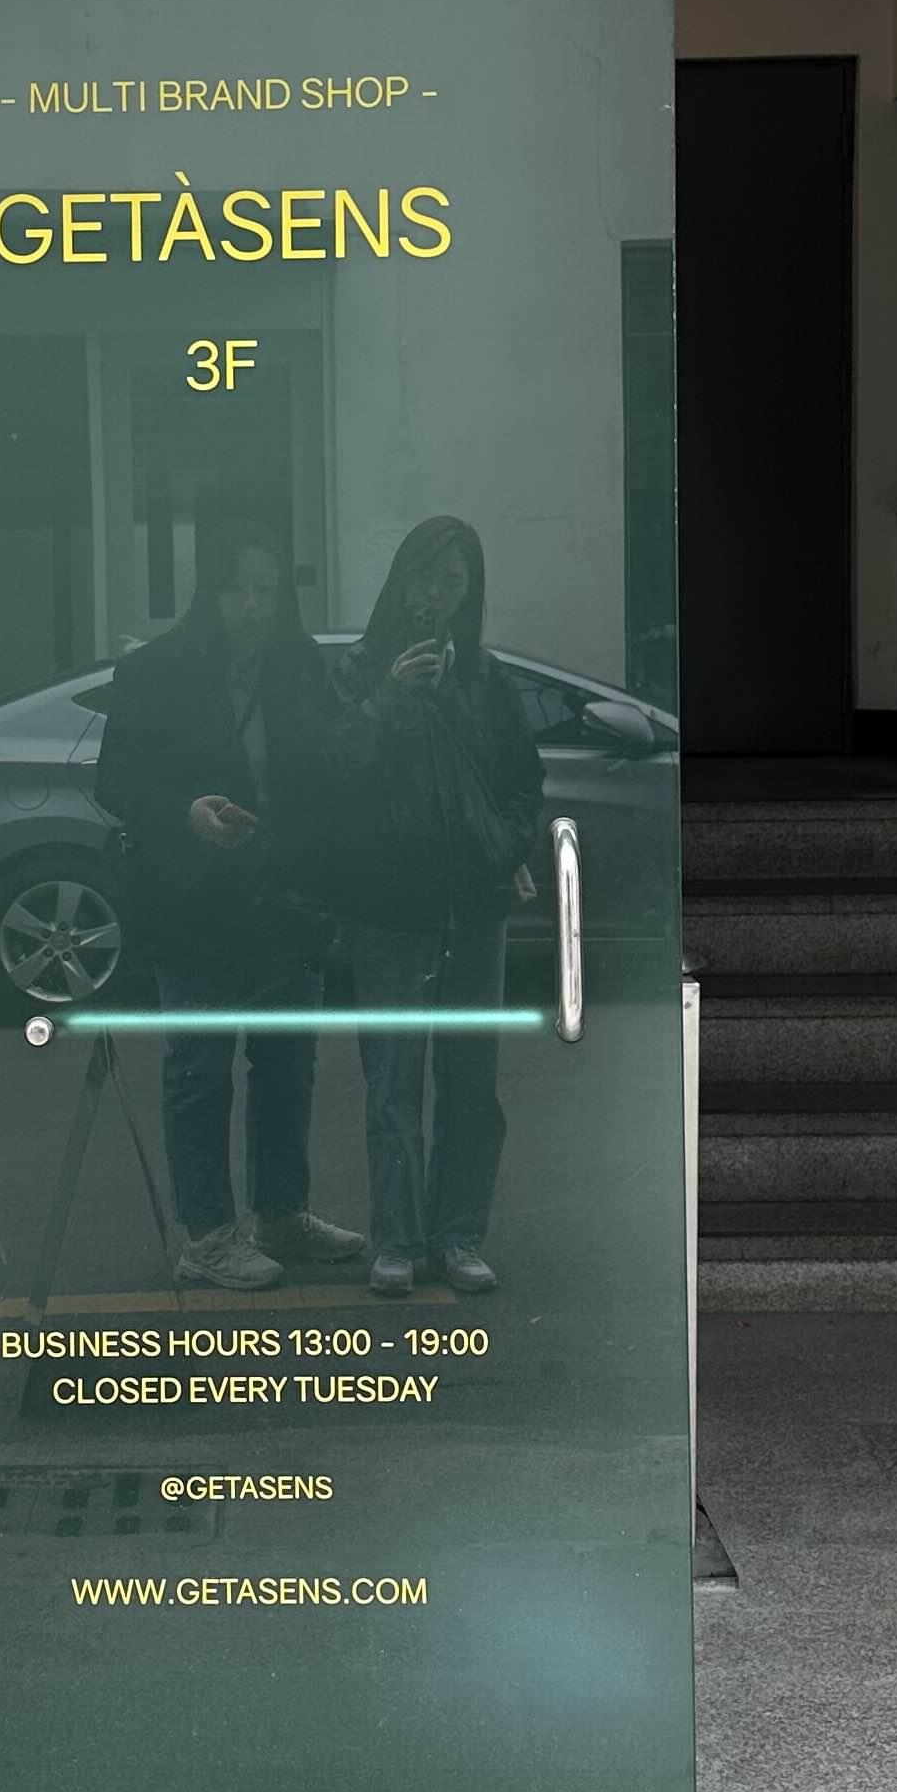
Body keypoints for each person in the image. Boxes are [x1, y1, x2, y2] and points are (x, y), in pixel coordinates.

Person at [91, 523, 367, 1293]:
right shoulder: (157, 669)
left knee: (287, 1064)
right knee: (200, 1068)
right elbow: (116, 780)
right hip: (196, 899)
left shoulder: (299, 667)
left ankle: (281, 1212)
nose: (253, 604)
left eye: (267, 589)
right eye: (238, 588)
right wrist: (185, 813)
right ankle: (208, 1235)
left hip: (284, 899)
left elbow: (329, 768)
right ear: (210, 592)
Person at [326, 515, 545, 1301]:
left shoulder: (484, 678)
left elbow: (524, 783)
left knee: (470, 1082)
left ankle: (459, 1236)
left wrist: (502, 850)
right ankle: (397, 1239)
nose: (439, 594)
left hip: (473, 907)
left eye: (456, 581)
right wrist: (387, 697)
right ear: (401, 579)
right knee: (392, 1082)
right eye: (427, 576)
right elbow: (332, 772)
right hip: (389, 908)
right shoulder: (357, 671)